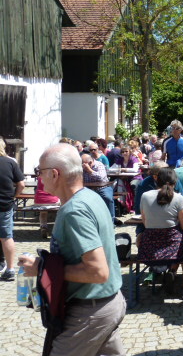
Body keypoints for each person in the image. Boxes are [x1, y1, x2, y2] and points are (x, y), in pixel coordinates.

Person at [19, 143, 126, 355]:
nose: (39, 178)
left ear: (54, 174)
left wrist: (42, 268)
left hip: (90, 312)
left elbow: (98, 271)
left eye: (40, 172)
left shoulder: (74, 211)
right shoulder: (90, 197)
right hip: (107, 303)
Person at [138, 168, 183, 299]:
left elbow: (145, 222)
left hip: (150, 247)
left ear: (156, 180)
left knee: (181, 245)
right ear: (175, 183)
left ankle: (173, 270)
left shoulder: (145, 196)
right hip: (173, 245)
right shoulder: (178, 198)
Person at [0, 139, 24, 280]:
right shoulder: (10, 162)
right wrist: (14, 196)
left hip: (4, 204)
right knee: (6, 237)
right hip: (5, 204)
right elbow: (21, 184)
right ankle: (10, 269)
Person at [80, 153, 118, 226]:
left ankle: (111, 221)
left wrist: (89, 170)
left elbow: (101, 178)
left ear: (90, 162)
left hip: (102, 187)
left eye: (83, 164)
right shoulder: (81, 167)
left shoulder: (99, 165)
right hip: (87, 189)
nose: (82, 165)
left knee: (107, 198)